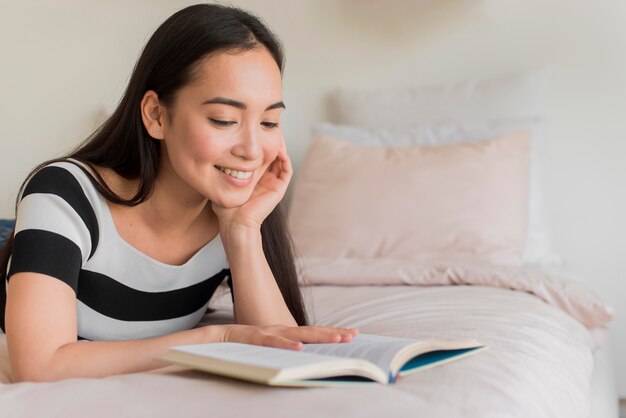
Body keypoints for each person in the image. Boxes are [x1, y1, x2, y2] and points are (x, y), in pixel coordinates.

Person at [0, 3, 358, 382]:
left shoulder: (234, 207)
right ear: (156, 115)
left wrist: (242, 232)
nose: (253, 151)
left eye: (269, 121)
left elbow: (283, 349)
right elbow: (38, 366)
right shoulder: (64, 196)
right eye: (225, 120)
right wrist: (214, 337)